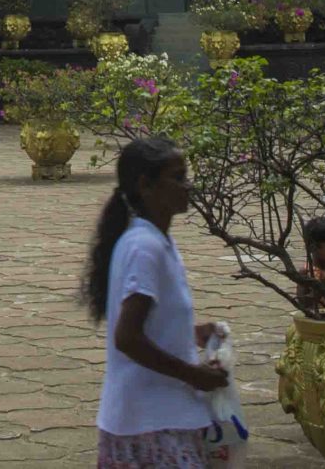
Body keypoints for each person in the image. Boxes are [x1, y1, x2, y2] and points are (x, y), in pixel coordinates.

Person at [84, 135, 228, 464]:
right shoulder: (143, 247)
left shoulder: (159, 241)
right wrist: (193, 375)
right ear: (145, 185)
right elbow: (128, 337)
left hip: (164, 416)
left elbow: (150, 323)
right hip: (150, 423)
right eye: (177, 178)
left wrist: (192, 334)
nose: (187, 186)